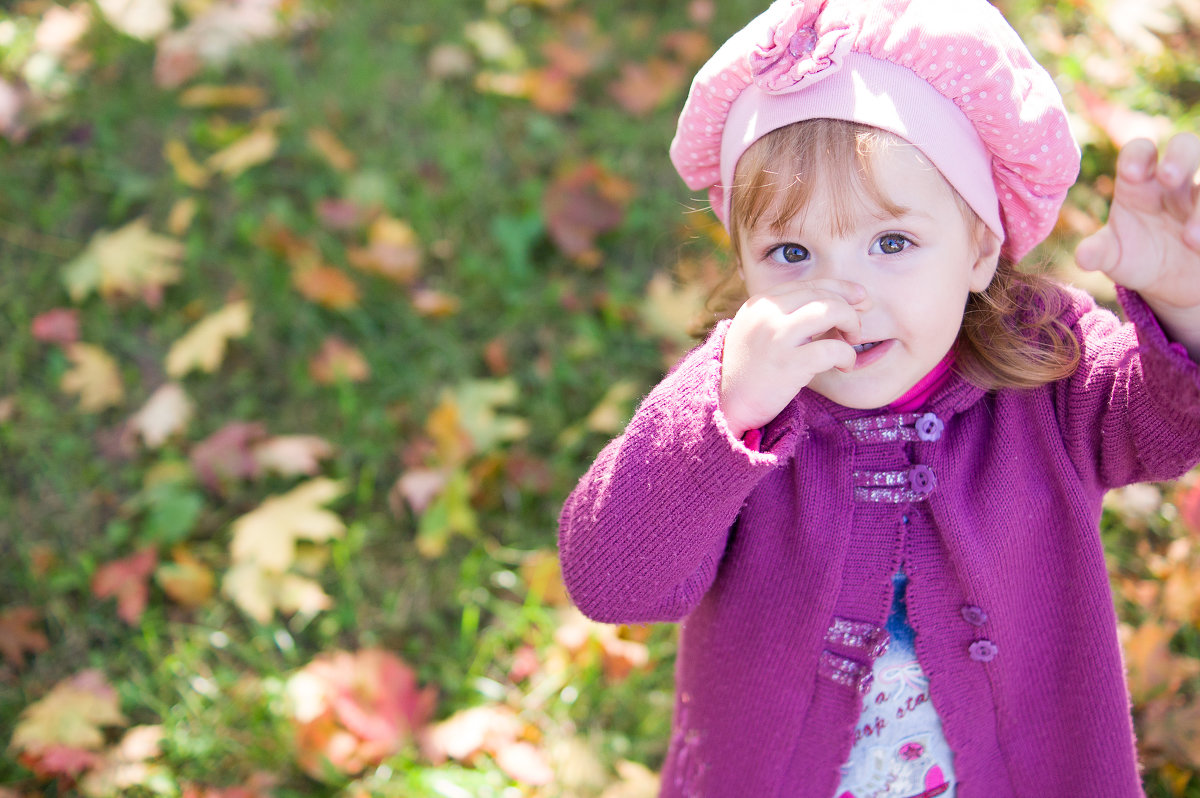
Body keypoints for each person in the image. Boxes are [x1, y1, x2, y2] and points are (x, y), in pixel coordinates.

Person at [557, 0, 1200, 795]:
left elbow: (1171, 424)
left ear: (979, 247)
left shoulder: (1049, 365)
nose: (845, 293)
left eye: (891, 243)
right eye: (791, 251)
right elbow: (613, 583)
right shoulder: (739, 410)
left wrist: (1186, 311)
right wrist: (723, 410)